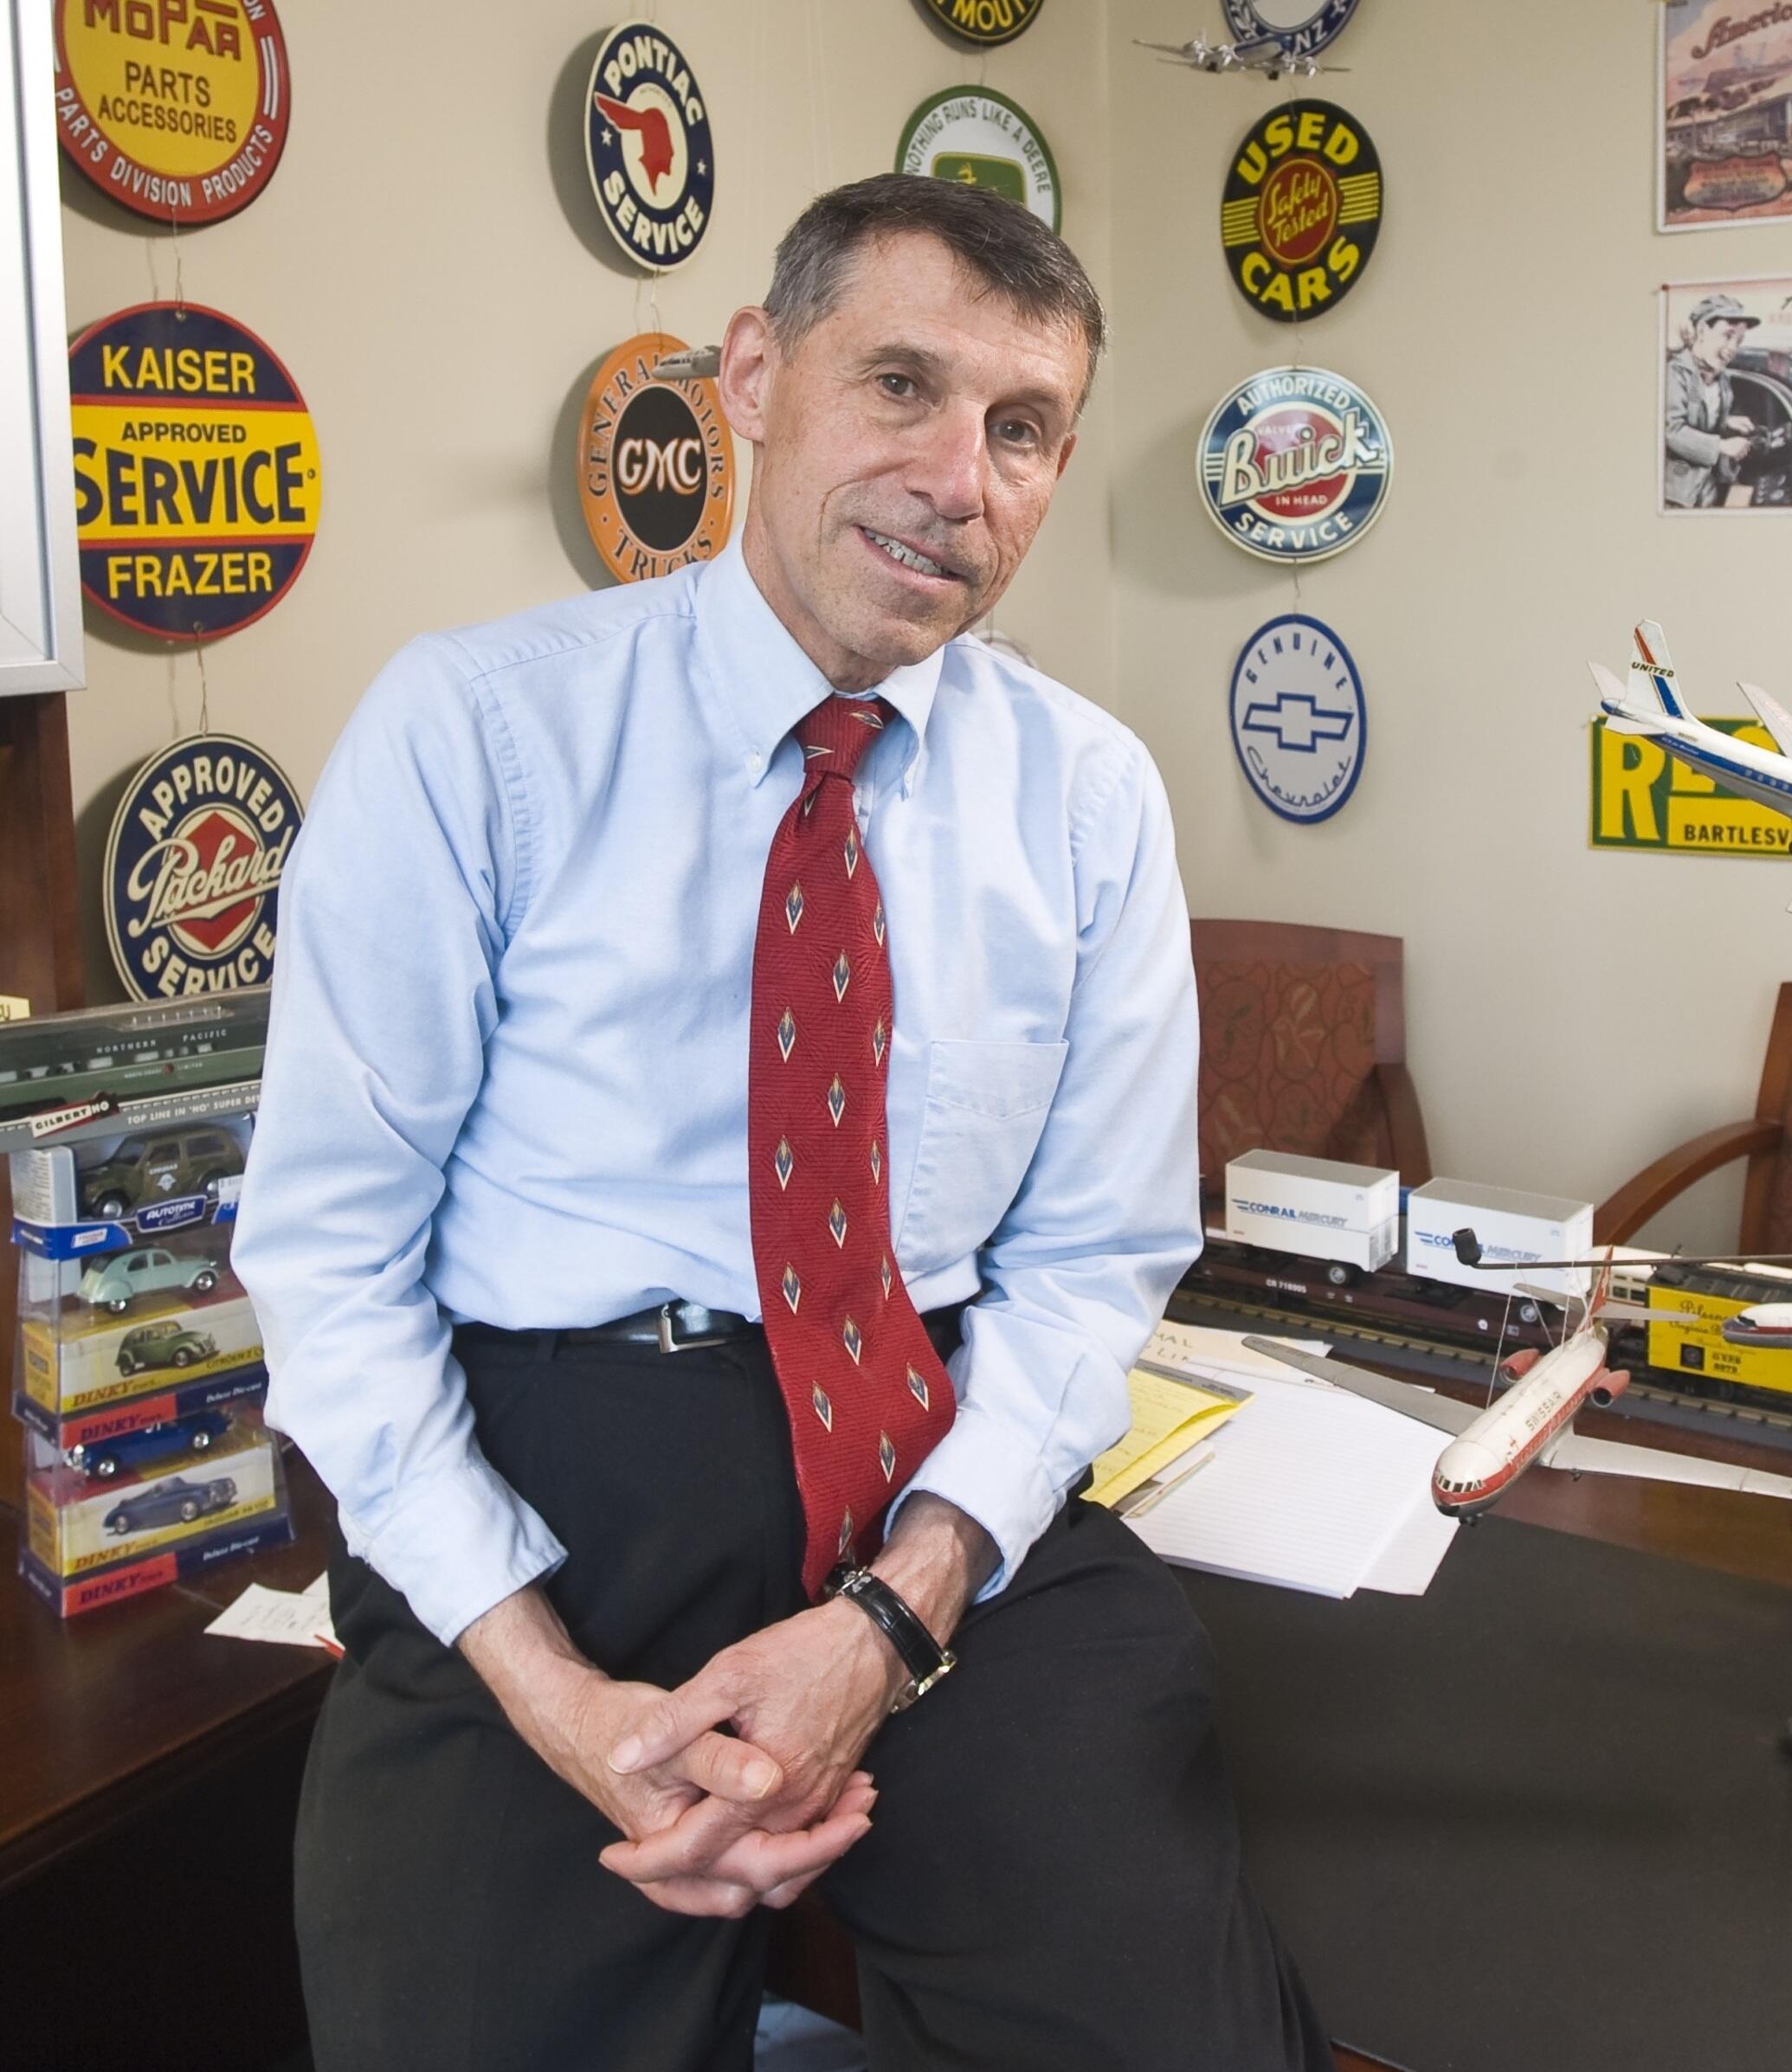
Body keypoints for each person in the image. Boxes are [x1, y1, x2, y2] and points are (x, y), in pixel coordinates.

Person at [231, 174, 1336, 2072]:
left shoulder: (1085, 794)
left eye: (1021, 431)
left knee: (1176, 2028)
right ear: (751, 374)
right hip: (558, 1475)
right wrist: (559, 1695)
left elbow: (1090, 1265)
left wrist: (891, 1628)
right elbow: (328, 1257)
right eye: (897, 385)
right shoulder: (474, 734)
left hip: (934, 1462)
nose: (955, 478)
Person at [1664, 293, 1759, 508]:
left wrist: (1726, 421)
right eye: (1727, 336)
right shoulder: (1676, 374)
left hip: (1709, 485)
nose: (1733, 348)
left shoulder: (1722, 378)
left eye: (1739, 340)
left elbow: (1699, 412)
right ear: (1702, 331)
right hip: (1677, 492)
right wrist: (1721, 446)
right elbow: (1672, 431)